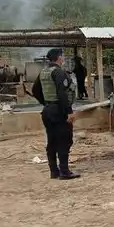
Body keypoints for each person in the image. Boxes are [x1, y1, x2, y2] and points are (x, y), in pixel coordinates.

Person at [31, 48, 80, 180]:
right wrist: (69, 111)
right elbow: (62, 93)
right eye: (63, 56)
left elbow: (35, 90)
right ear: (59, 57)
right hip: (59, 111)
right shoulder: (59, 72)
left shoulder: (43, 72)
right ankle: (65, 171)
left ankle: (54, 171)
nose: (63, 58)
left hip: (47, 110)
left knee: (52, 141)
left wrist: (46, 103)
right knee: (64, 140)